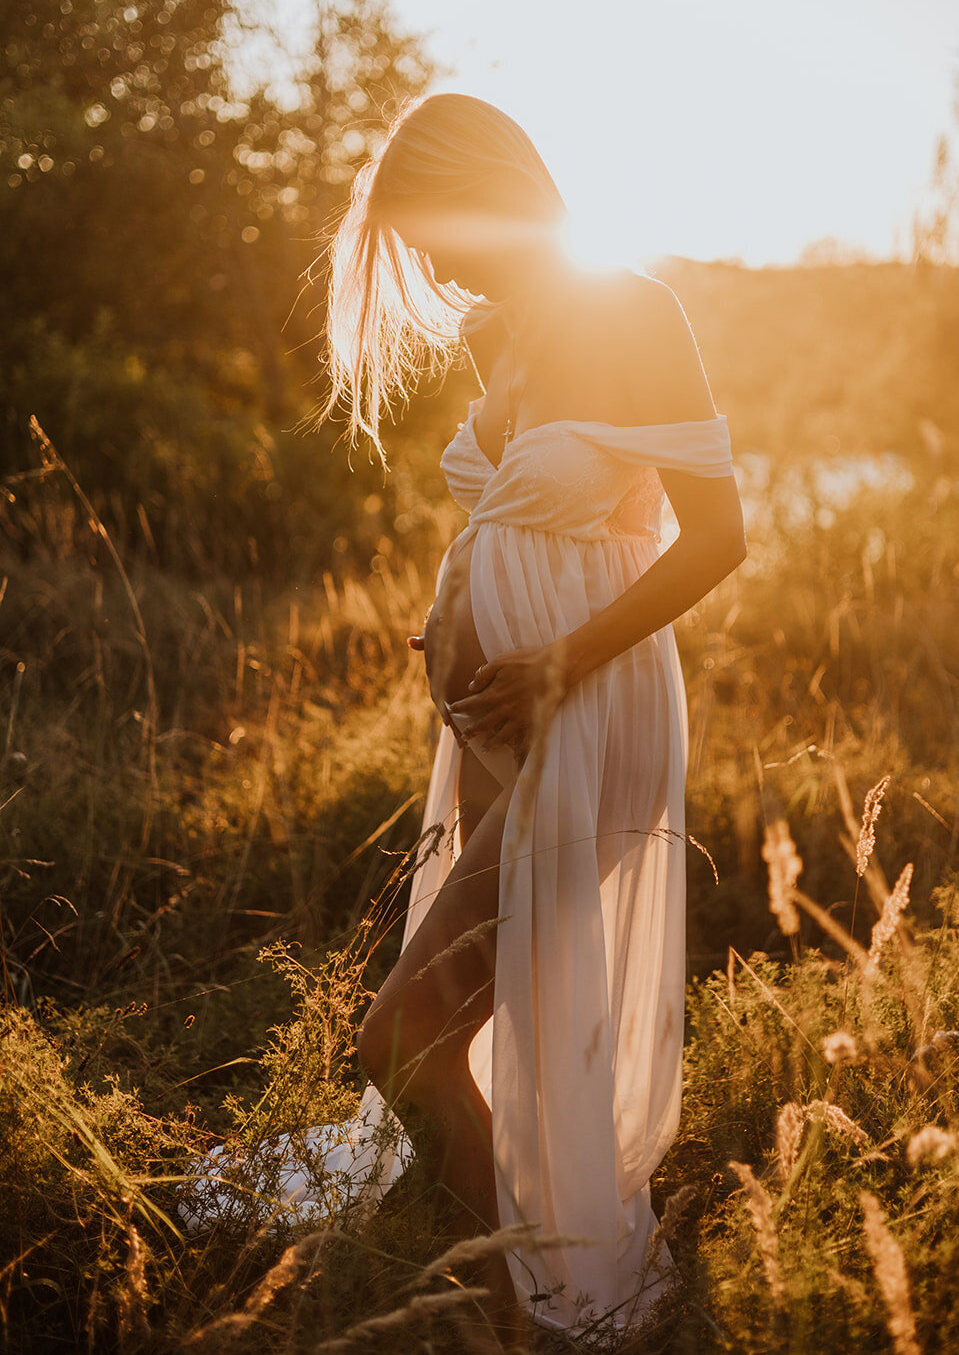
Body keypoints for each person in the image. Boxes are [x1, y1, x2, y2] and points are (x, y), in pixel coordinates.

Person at [180, 91, 746, 1349]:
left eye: (436, 234)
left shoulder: (632, 306)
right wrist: (461, 617)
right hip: (504, 717)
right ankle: (506, 1267)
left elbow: (717, 535)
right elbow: (522, 520)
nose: (431, 267)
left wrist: (556, 658)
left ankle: (512, 1312)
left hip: (588, 713)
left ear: (493, 190)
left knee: (399, 1037)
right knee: (483, 1021)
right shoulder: (511, 334)